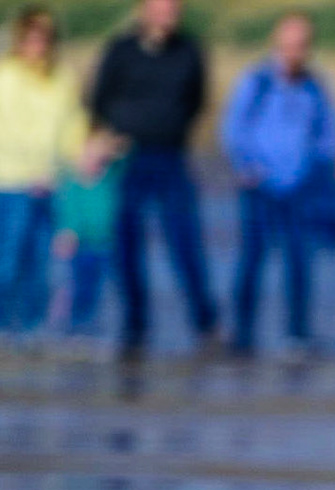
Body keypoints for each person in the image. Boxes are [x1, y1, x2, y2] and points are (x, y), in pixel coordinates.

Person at [89, 0, 218, 359]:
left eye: (173, 7)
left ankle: (205, 324)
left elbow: (197, 100)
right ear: (143, 9)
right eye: (161, 7)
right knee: (127, 246)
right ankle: (134, 327)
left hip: (171, 157)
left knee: (185, 242)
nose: (168, 14)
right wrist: (104, 140)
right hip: (126, 159)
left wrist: (172, 129)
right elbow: (97, 99)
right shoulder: (120, 50)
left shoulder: (190, 50)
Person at [220, 12, 335, 360]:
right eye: (288, 44)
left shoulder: (316, 86)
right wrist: (248, 168)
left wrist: (318, 173)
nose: (294, 51)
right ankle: (242, 336)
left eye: (301, 45)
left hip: (301, 189)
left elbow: (328, 135)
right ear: (277, 43)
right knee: (252, 261)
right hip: (259, 187)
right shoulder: (256, 81)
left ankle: (297, 335)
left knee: (299, 262)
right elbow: (233, 129)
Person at [0, 6, 85, 339]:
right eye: (32, 36)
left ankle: (31, 339)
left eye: (44, 37)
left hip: (52, 184)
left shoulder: (63, 77)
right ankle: (5, 330)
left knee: (42, 265)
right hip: (10, 182)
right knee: (8, 261)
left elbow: (72, 126)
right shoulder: (6, 76)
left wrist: (81, 159)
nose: (38, 44)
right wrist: (35, 167)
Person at [52, 125, 124, 342]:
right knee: (76, 286)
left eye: (97, 152)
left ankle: (91, 326)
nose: (92, 158)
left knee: (99, 288)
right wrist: (66, 233)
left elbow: (127, 159)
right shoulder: (72, 181)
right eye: (88, 152)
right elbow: (67, 212)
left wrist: (115, 147)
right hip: (79, 245)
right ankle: (73, 326)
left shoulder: (110, 177)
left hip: (105, 245)